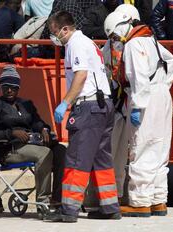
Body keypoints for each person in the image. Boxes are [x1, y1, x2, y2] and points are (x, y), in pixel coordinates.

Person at [43, 11, 121, 222]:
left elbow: (81, 75)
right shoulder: (89, 43)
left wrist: (65, 102)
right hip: (104, 106)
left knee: (76, 158)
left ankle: (68, 209)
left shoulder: (75, 44)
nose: (54, 37)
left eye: (55, 32)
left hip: (88, 107)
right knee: (101, 159)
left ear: (65, 29)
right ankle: (110, 207)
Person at [104, 10, 173, 217]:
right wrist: (162, 85)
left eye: (115, 36)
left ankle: (140, 202)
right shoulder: (149, 38)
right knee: (160, 148)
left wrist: (137, 106)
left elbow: (138, 80)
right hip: (162, 95)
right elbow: (171, 61)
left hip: (144, 99)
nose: (116, 41)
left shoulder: (133, 45)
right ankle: (158, 200)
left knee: (141, 147)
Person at [0, 65, 66, 218]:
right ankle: (43, 202)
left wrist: (43, 129)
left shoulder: (26, 104)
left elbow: (37, 121)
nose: (9, 90)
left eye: (13, 87)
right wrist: (11, 133)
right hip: (10, 149)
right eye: (6, 87)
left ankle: (57, 199)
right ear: (1, 87)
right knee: (45, 153)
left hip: (32, 143)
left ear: (18, 87)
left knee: (61, 150)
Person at [101, 3, 142, 205]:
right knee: (113, 151)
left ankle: (133, 195)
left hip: (134, 102)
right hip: (117, 103)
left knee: (135, 151)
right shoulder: (108, 48)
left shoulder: (140, 45)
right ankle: (114, 195)